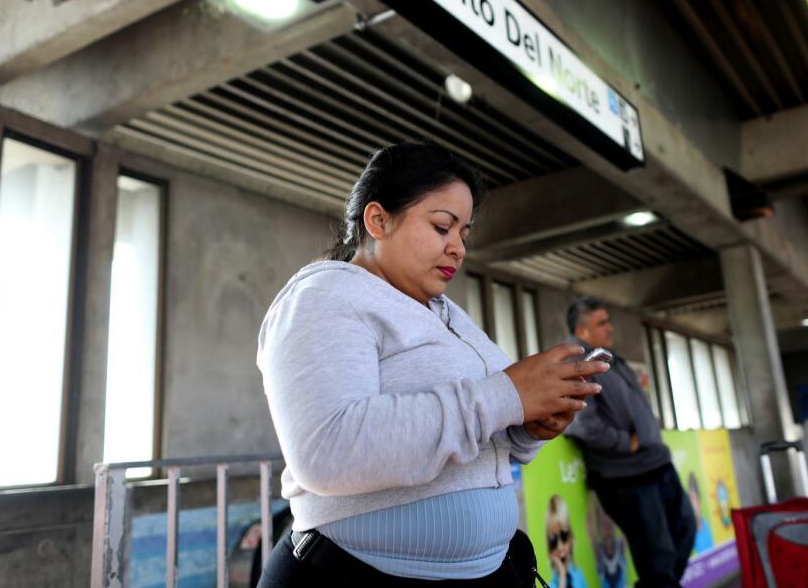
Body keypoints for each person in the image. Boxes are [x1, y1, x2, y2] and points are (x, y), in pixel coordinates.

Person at [255, 143, 610, 587]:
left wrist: (528, 426)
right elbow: (327, 451)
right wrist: (506, 395)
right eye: (443, 226)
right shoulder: (323, 297)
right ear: (378, 220)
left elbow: (487, 429)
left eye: (464, 233)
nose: (458, 248)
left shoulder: (448, 316)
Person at [564, 297, 695, 588]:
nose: (610, 328)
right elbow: (581, 423)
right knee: (658, 560)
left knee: (685, 531)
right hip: (627, 477)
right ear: (582, 331)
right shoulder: (579, 362)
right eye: (602, 323)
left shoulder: (610, 357)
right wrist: (626, 443)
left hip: (657, 464)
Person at [545, 495, 588, 588]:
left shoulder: (579, 576)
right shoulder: (551, 585)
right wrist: (562, 576)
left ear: (571, 538)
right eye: (554, 541)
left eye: (564, 536)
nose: (560, 547)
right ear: (549, 550)